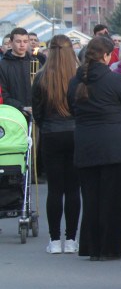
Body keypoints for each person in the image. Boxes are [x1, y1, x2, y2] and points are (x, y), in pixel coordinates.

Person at [68, 36, 121, 261]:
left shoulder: (76, 82)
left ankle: (92, 246)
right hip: (115, 145)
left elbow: (72, 108)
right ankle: (111, 247)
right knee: (114, 198)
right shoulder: (117, 81)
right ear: (107, 56)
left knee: (91, 197)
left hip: (86, 143)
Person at [31, 34, 81, 254]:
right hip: (75, 133)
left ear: (50, 51)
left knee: (55, 189)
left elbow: (37, 112)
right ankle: (71, 239)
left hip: (51, 134)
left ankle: (54, 240)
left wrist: (47, 126)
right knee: (73, 189)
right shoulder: (79, 76)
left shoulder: (41, 77)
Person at [0, 27, 36, 121]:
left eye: (25, 41)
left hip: (35, 115)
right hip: (12, 116)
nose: (22, 45)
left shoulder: (35, 63)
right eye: (18, 41)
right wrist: (21, 107)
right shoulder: (2, 65)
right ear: (11, 43)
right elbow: (3, 94)